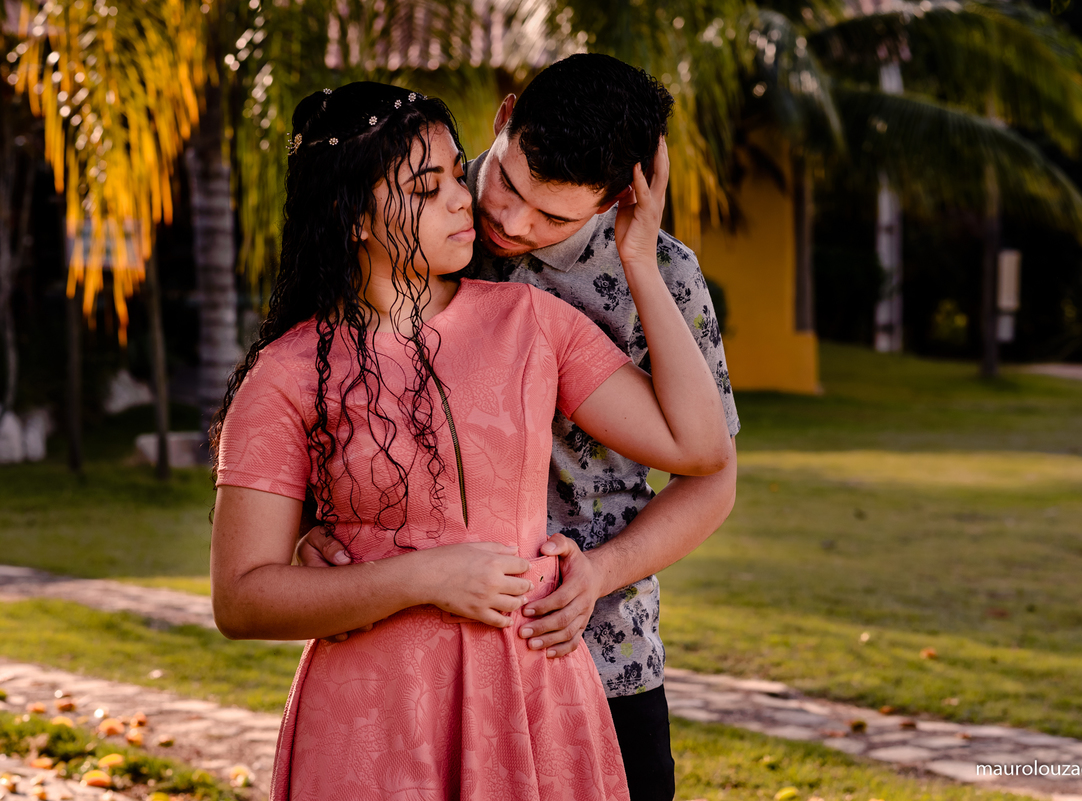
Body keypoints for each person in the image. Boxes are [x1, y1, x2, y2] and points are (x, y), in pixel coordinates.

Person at [209, 81, 732, 800]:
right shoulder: (287, 373)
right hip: (373, 712)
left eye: (456, 175)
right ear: (352, 214)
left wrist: (637, 253)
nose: (477, 206)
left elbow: (704, 453)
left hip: (553, 674)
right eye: (436, 185)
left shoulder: (534, 320)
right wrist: (386, 564)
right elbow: (241, 597)